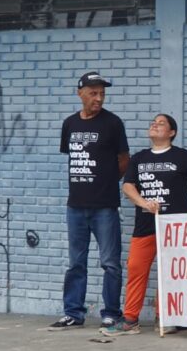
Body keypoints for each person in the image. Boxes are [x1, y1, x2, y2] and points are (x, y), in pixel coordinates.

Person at [100, 114, 187, 336]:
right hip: (145, 224)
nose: (155, 125)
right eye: (153, 122)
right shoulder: (139, 158)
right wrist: (144, 204)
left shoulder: (183, 156)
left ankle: (165, 317)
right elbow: (128, 186)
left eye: (161, 123)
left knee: (169, 273)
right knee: (136, 269)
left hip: (174, 226)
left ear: (172, 133)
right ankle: (130, 320)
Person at [50, 71, 129, 331]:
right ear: (80, 93)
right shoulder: (70, 124)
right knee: (76, 262)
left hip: (104, 205)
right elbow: (71, 157)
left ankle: (111, 313)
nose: (99, 98)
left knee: (110, 263)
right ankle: (73, 312)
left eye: (102, 94)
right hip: (75, 205)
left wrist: (106, 182)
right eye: (93, 93)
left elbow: (123, 160)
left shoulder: (113, 123)